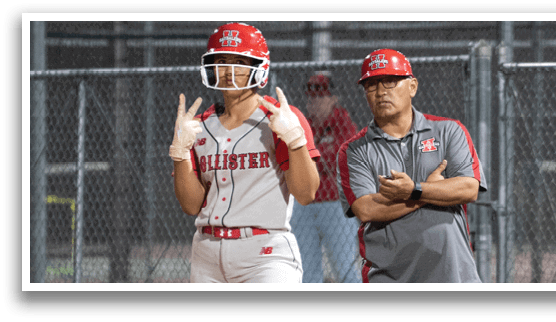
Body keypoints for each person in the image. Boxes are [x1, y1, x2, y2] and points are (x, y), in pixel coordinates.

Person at [169, 22, 321, 283]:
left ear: (258, 66)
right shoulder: (198, 125)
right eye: (221, 60)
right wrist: (180, 153)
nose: (228, 70)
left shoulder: (281, 118)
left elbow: (306, 193)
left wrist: (295, 141)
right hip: (206, 252)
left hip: (265, 252)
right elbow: (190, 204)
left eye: (239, 61)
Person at [336, 48, 487, 283]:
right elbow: (367, 209)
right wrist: (427, 191)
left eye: (390, 81)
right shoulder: (354, 150)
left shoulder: (449, 131)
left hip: (453, 275)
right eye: (372, 85)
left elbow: (468, 189)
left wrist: (413, 190)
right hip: (389, 278)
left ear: (412, 86)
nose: (380, 92)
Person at [290, 74, 361, 283]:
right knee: (305, 270)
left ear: (333, 98)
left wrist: (310, 159)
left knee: (344, 268)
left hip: (335, 205)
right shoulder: (304, 124)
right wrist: (316, 158)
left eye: (320, 97)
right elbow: (296, 160)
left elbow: (341, 158)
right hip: (305, 204)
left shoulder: (343, 122)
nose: (314, 102)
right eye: (311, 98)